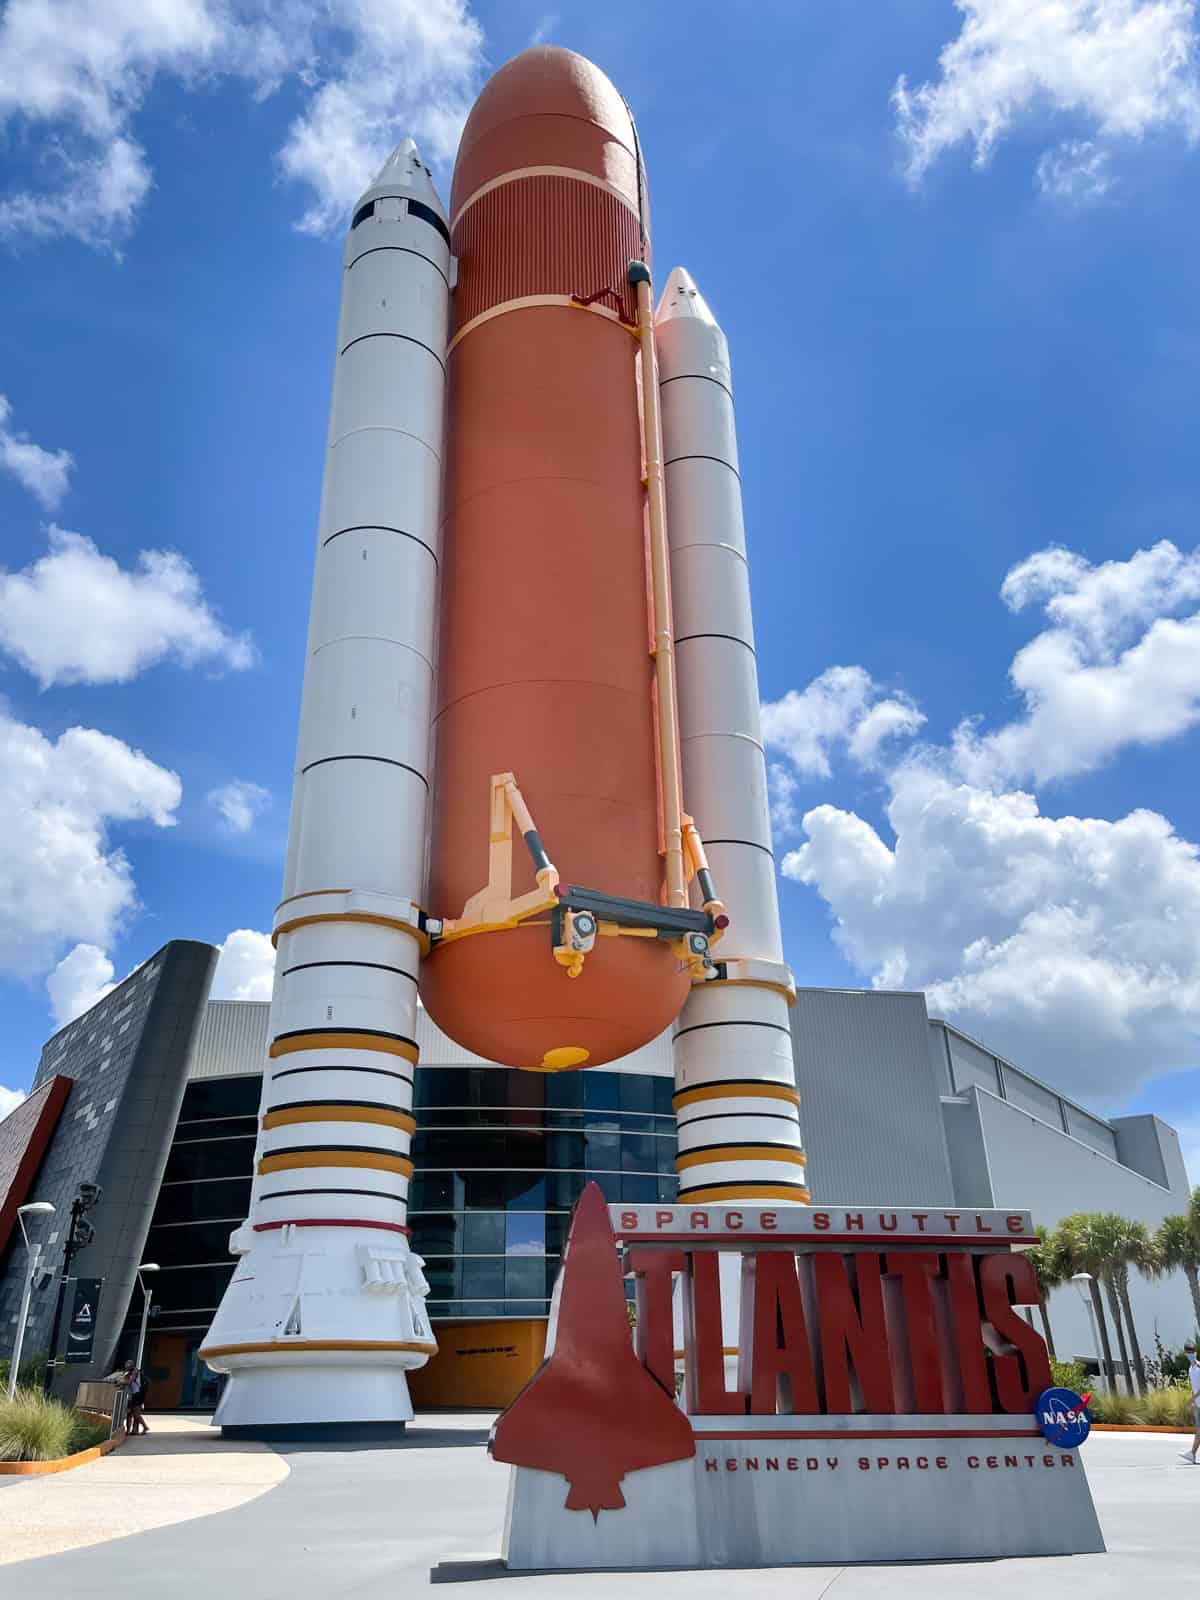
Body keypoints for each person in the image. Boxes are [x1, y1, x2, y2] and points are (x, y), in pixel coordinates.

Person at [1182, 1344, 1200, 1465]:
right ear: (1186, 1354)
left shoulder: (1199, 1367)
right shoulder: (1190, 1368)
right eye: (1189, 1352)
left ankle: (1192, 1454)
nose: (1191, 1354)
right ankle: (1192, 1454)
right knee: (1199, 1430)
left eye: (1192, 1351)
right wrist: (1194, 1402)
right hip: (1199, 1405)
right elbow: (1194, 1387)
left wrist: (1192, 1399)